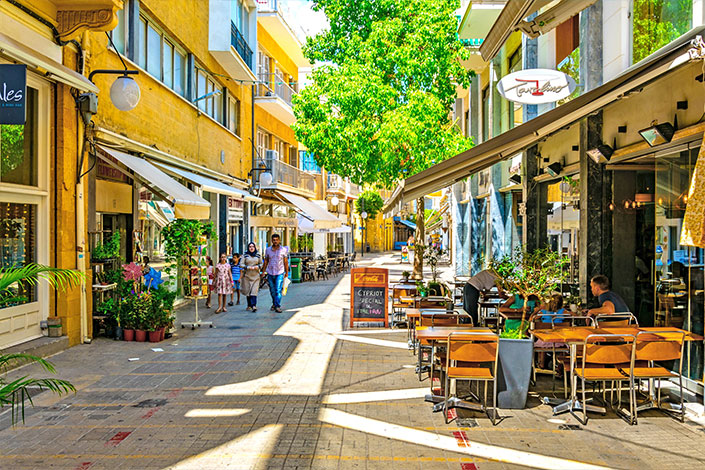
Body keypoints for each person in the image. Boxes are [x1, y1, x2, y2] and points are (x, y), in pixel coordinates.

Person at [262, 234, 289, 313]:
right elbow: (266, 261)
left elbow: (285, 262)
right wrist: (263, 272)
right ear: (271, 241)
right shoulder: (268, 250)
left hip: (279, 272)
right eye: (274, 240)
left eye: (277, 240)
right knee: (272, 290)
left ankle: (277, 306)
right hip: (270, 272)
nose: (275, 241)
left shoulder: (283, 250)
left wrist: (286, 273)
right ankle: (274, 303)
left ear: (279, 240)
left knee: (278, 290)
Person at [241, 243, 263, 312]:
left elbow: (262, 264)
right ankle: (249, 305)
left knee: (254, 291)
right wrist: (247, 267)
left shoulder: (258, 255)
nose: (251, 248)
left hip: (256, 276)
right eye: (250, 247)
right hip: (247, 276)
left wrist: (258, 267)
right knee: (248, 291)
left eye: (253, 246)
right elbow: (241, 264)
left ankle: (254, 305)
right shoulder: (245, 255)